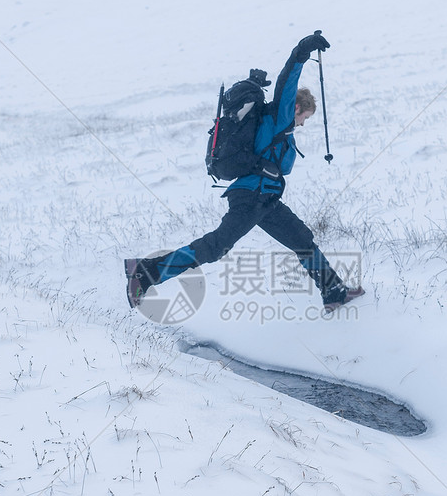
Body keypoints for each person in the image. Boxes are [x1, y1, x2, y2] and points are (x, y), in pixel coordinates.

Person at [124, 31, 365, 311]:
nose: (301, 124)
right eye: (304, 118)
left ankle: (334, 293)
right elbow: (288, 82)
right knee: (216, 246)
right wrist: (302, 51)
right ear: (296, 108)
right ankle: (145, 272)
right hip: (251, 197)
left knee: (302, 239)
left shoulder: (279, 126)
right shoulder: (281, 117)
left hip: (266, 200)